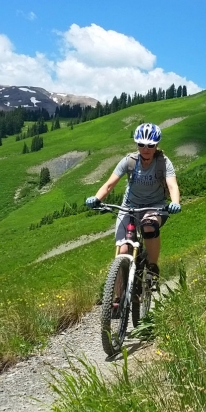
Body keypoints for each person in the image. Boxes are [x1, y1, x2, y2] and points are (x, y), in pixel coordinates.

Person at [85, 122, 181, 293]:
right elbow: (109, 185)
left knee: (149, 227)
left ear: (156, 145)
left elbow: (172, 185)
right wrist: (96, 198)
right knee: (123, 249)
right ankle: (116, 299)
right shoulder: (129, 161)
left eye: (150, 145)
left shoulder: (163, 163)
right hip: (129, 207)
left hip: (155, 207)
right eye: (141, 144)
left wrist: (175, 202)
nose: (146, 148)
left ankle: (152, 268)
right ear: (136, 144)